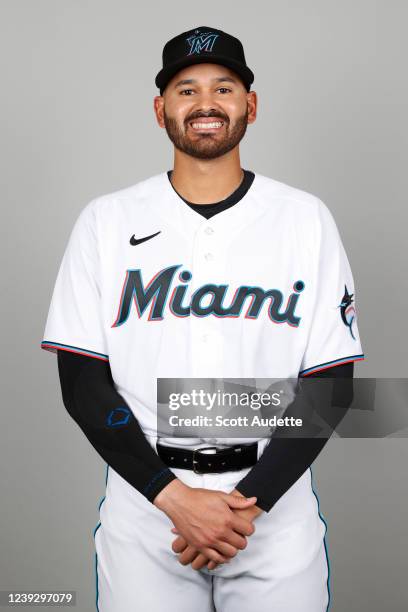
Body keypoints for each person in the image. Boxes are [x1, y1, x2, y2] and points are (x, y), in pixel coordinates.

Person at [41, 26, 365, 612]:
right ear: (161, 109)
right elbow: (82, 382)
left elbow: (332, 383)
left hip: (273, 508)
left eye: (224, 87)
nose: (207, 103)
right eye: (187, 90)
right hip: (147, 506)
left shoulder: (304, 219)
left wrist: (248, 504)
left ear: (251, 105)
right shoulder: (107, 221)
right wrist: (172, 497)